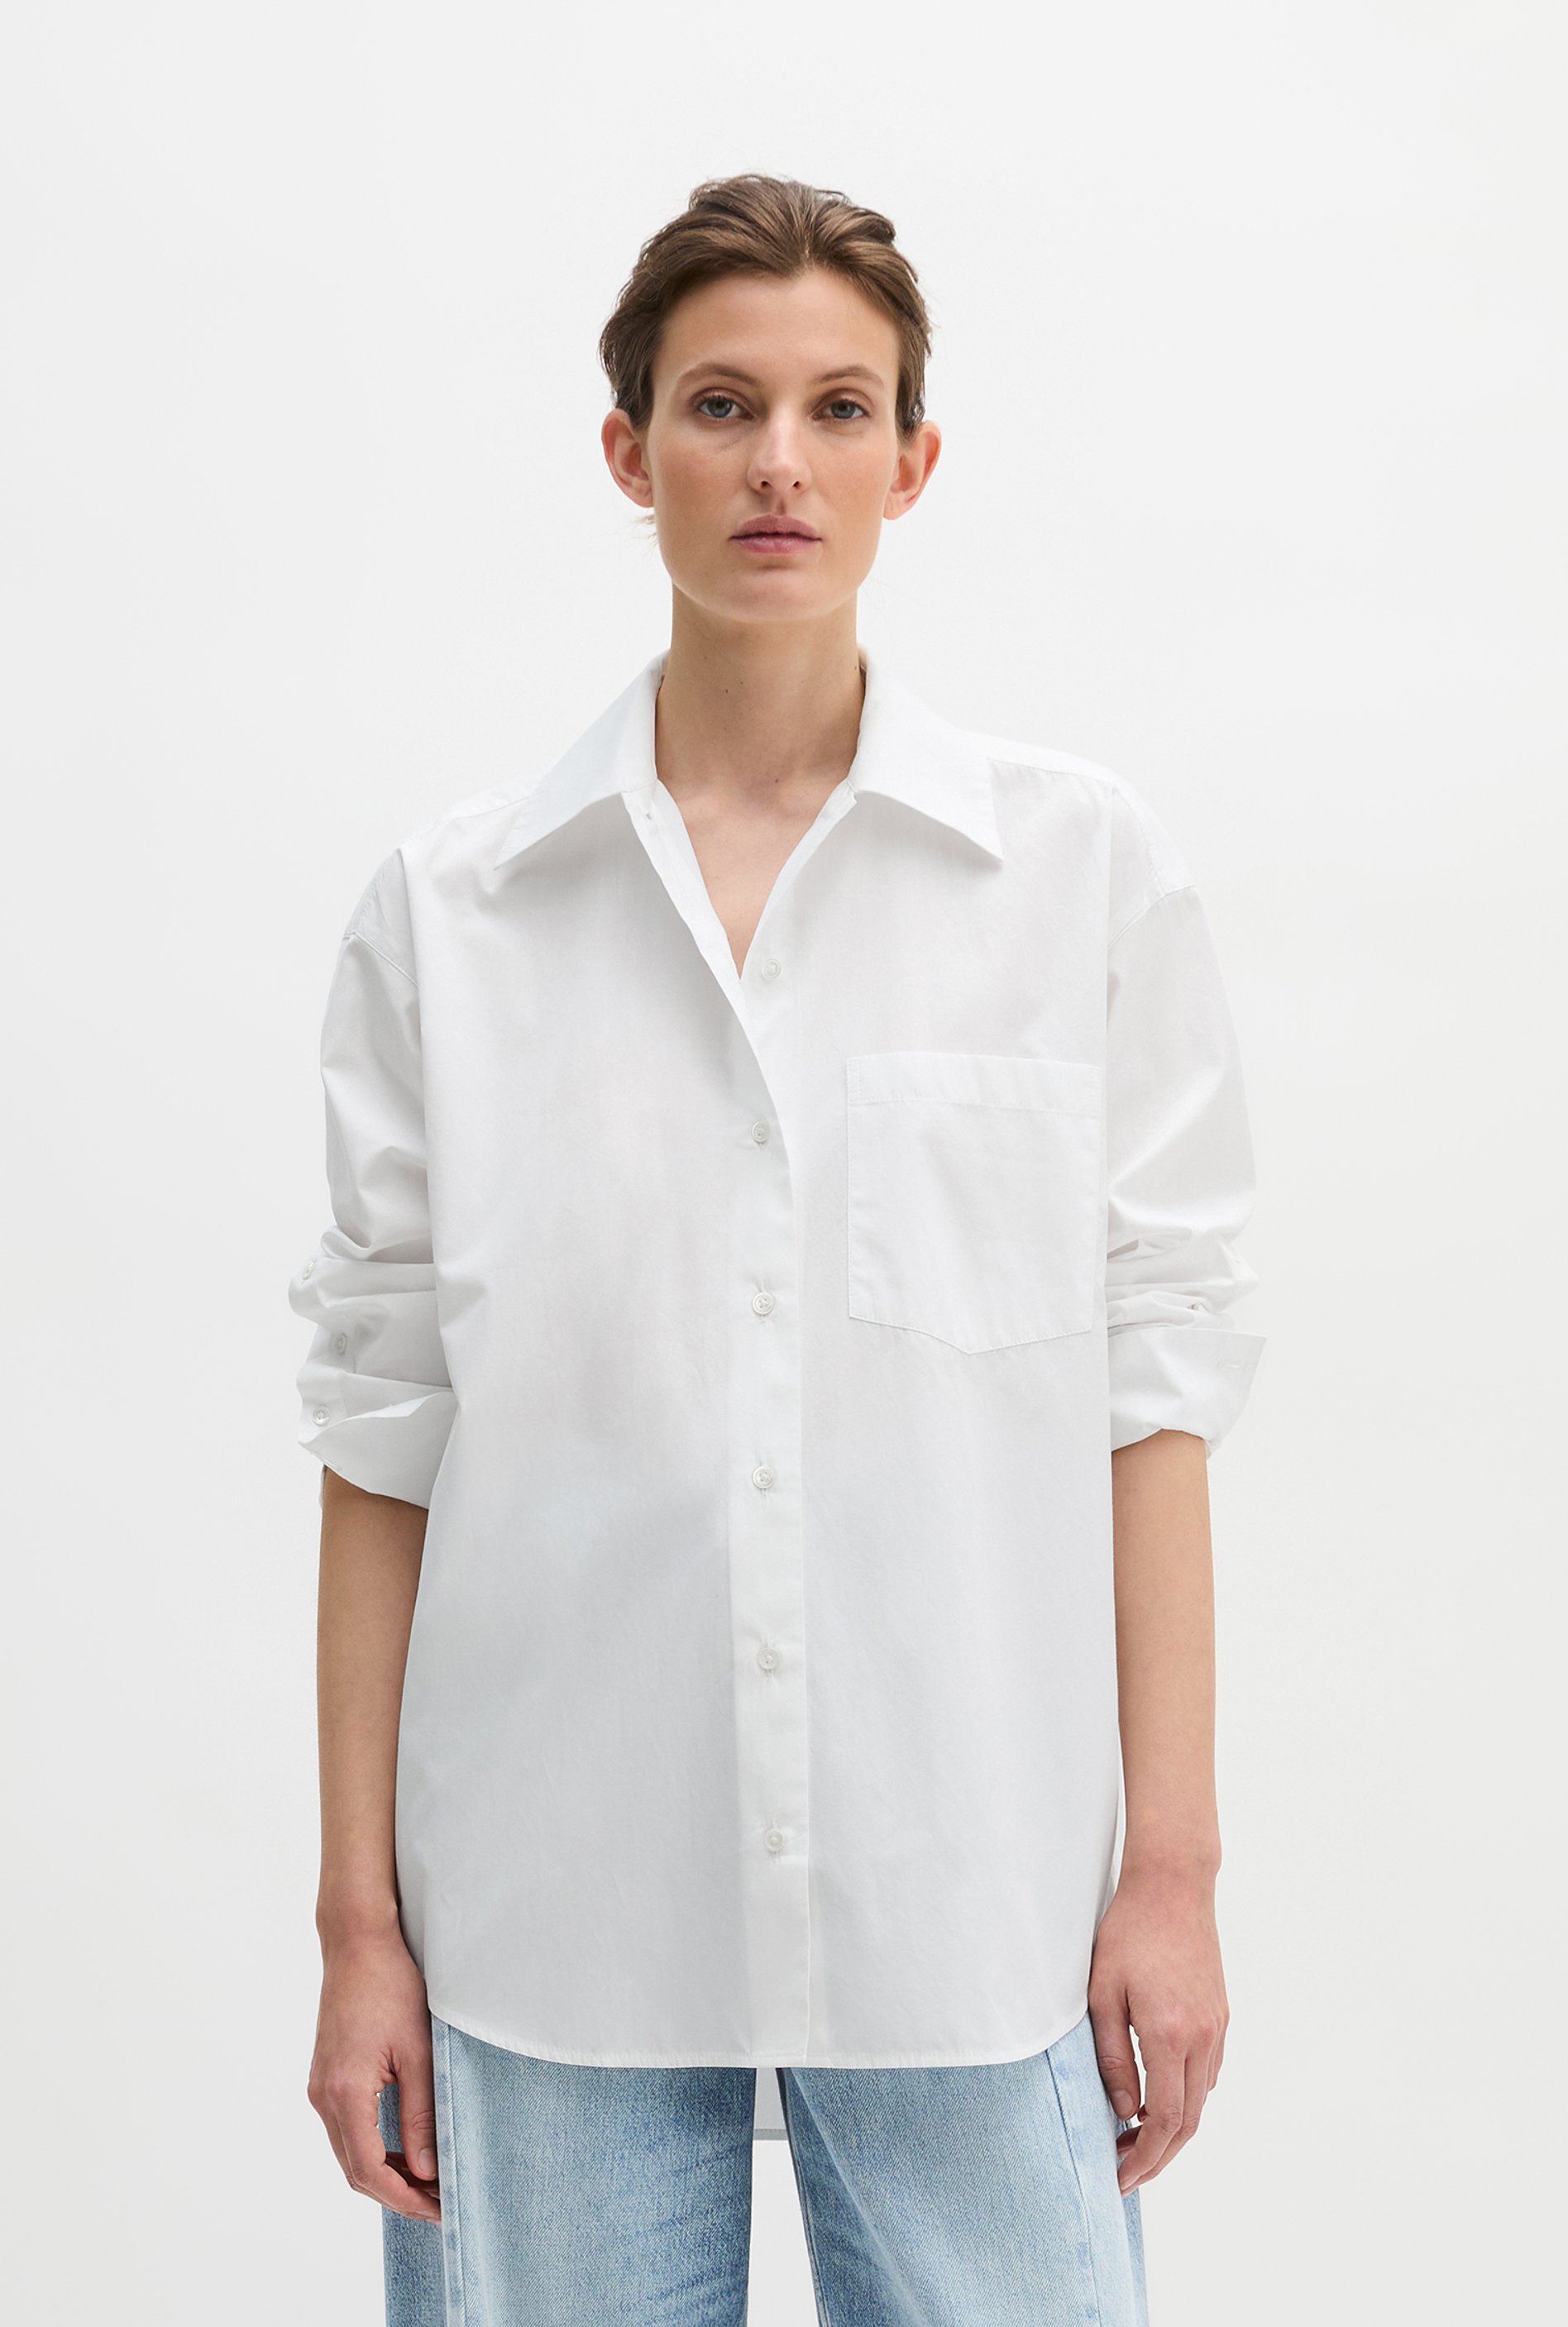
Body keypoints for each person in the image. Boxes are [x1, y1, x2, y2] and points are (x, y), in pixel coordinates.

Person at [290, 172, 1265, 2327]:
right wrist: (360, 1928)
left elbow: (1155, 1392)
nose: (778, 464)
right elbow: (382, 1437)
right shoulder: (454, 915)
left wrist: (1174, 1875)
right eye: (722, 404)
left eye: (839, 408)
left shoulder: (1076, 877)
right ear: (627, 447)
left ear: (915, 460)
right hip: (545, 1911)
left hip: (971, 1900)